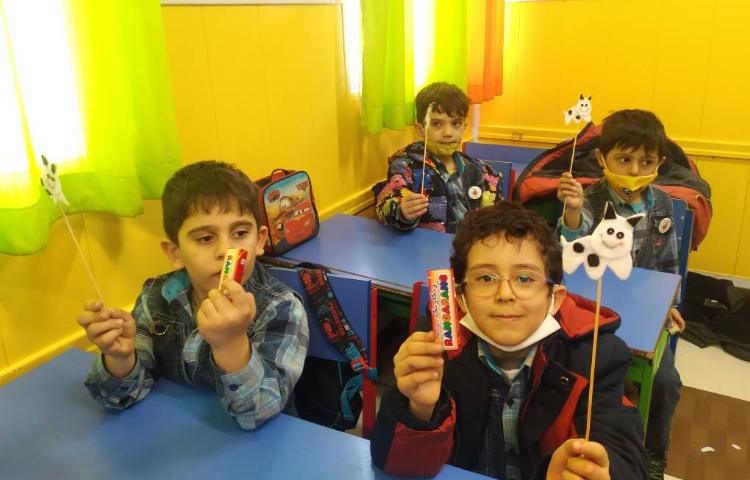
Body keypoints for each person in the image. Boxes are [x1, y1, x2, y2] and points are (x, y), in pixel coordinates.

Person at [371, 202, 648, 480]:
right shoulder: (437, 347)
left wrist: (595, 471)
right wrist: (420, 410)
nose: (504, 294)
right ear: (461, 297)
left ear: (555, 299)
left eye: (525, 278)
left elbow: (626, 457)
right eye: (485, 278)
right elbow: (394, 464)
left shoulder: (595, 355)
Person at [77, 160, 308, 430]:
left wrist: (232, 343)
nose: (225, 251)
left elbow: (259, 413)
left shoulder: (280, 307)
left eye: (240, 233)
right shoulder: (156, 298)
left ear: (259, 241)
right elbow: (118, 397)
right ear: (175, 253)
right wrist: (121, 358)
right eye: (205, 238)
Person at [557, 109, 683, 478]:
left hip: (645, 312)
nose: (633, 170)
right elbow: (572, 250)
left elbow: (668, 261)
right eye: (624, 160)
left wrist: (670, 304)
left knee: (666, 382)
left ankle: (655, 453)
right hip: (595, 308)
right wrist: (573, 214)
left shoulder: (662, 204)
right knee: (579, 371)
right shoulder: (589, 199)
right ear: (602, 159)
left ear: (659, 163)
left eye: (646, 161)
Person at [375, 82, 502, 233]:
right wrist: (401, 211)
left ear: (464, 127)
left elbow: (498, 220)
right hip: (428, 247)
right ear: (420, 130)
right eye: (436, 123)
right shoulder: (405, 167)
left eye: (456, 123)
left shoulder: (483, 173)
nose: (448, 133)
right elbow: (384, 206)